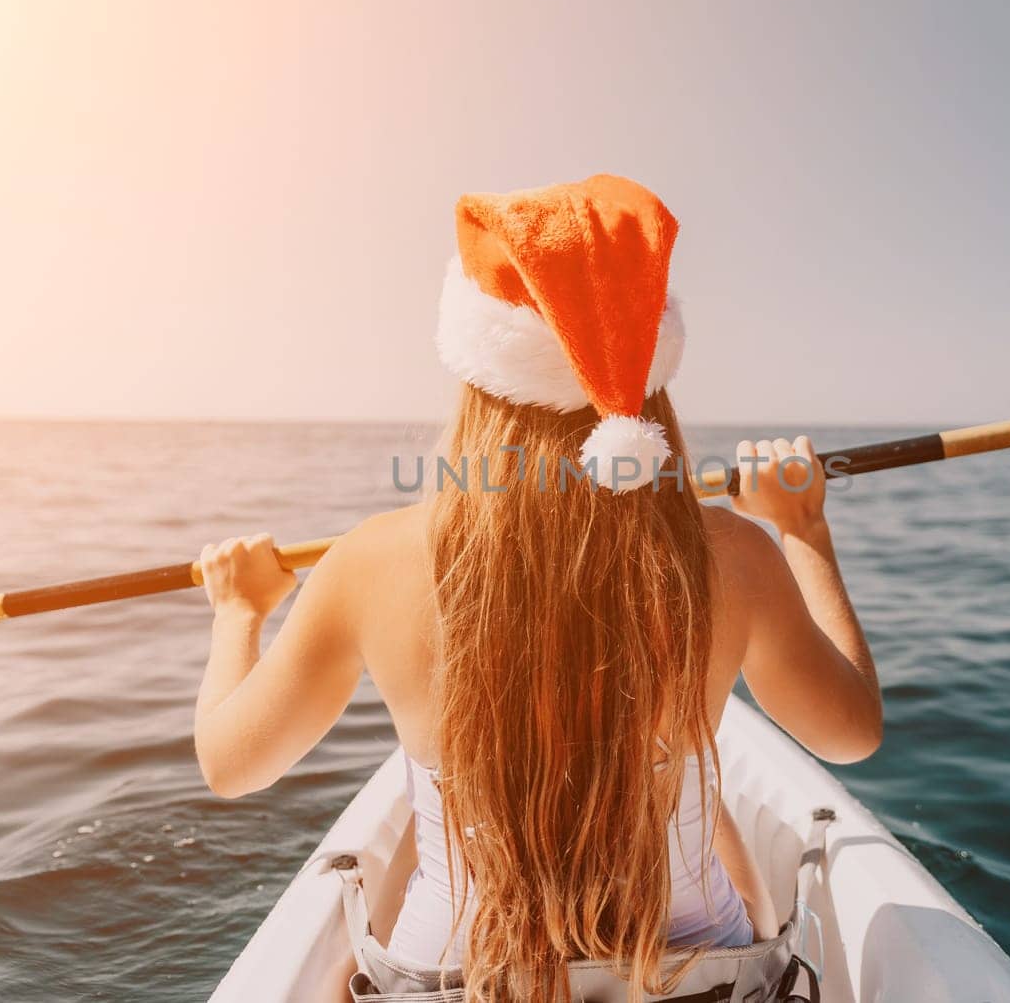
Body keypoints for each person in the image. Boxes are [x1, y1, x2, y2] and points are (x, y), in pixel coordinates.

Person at [193, 174, 881, 1001]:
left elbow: (230, 764)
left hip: (453, 982)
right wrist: (803, 530)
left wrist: (239, 611)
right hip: (695, 984)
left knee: (429, 815)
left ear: (478, 373)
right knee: (711, 808)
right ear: (646, 376)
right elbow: (850, 733)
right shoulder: (732, 556)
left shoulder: (370, 561)